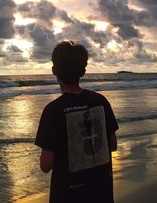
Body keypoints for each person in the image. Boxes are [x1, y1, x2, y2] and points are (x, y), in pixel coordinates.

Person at [35, 41, 119, 203]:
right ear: (83, 71)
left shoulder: (53, 110)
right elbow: (113, 145)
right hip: (101, 191)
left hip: (68, 195)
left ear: (54, 71)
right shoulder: (101, 101)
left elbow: (46, 165)